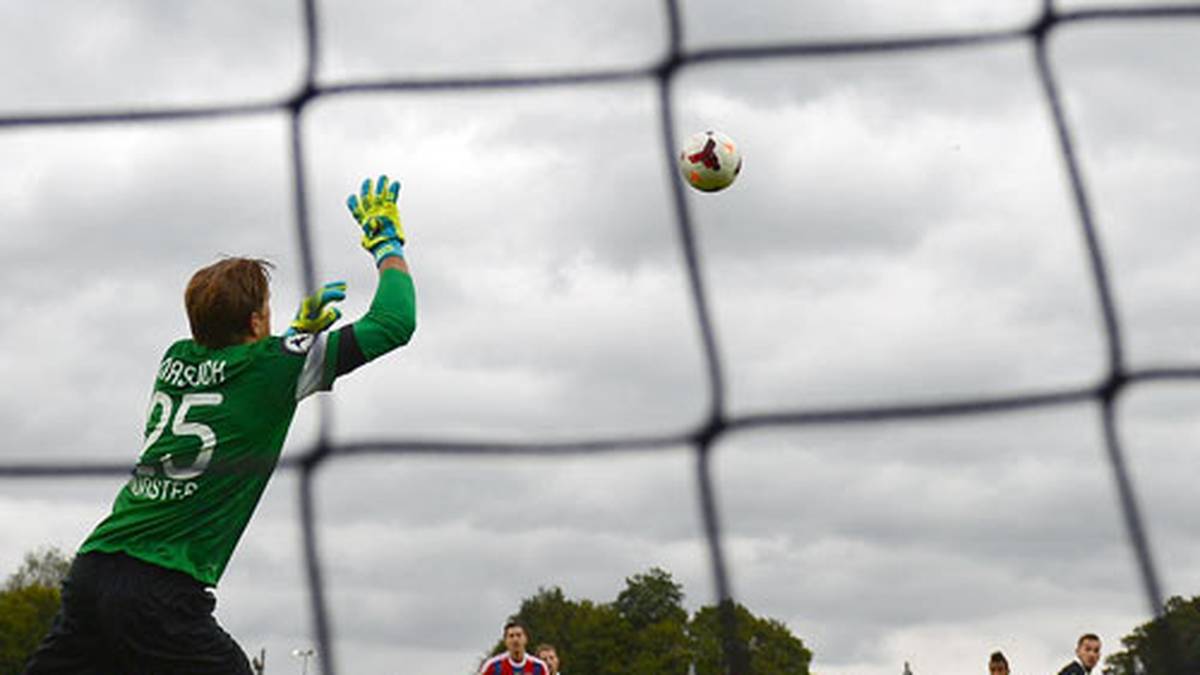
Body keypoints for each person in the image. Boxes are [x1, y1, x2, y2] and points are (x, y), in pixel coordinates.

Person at [23, 176, 417, 674]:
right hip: (162, 590)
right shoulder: (277, 367)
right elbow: (394, 322)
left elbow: (234, 384)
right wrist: (388, 244)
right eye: (266, 313)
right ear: (255, 323)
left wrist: (294, 335)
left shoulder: (174, 358)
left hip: (95, 570)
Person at [480, 620, 551, 675]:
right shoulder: (493, 666)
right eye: (511, 636)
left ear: (526, 639)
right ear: (505, 641)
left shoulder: (539, 666)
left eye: (519, 635)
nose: (515, 639)